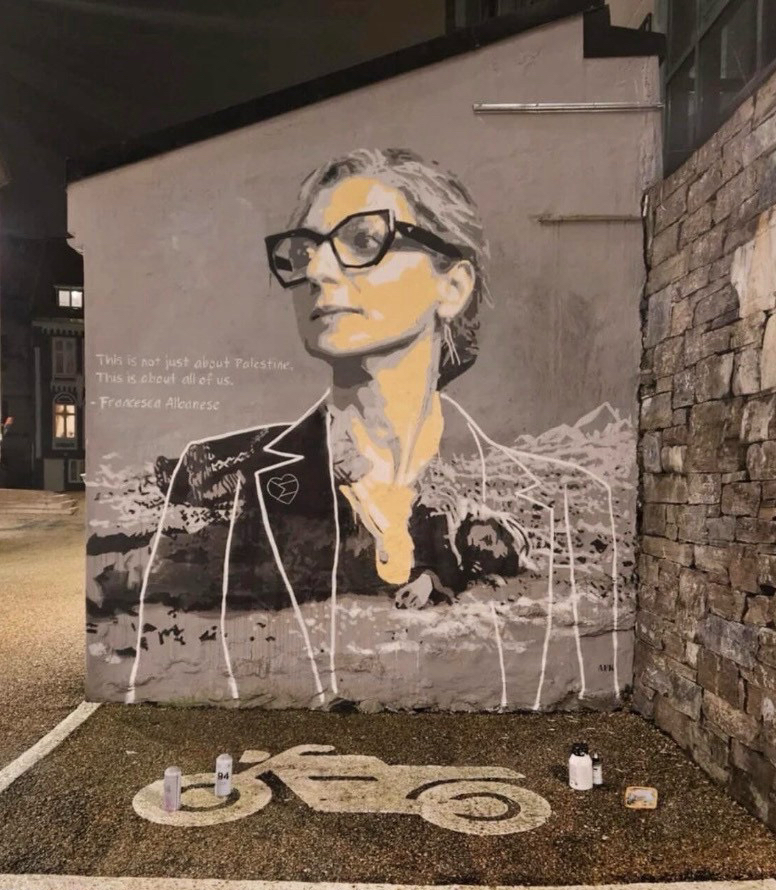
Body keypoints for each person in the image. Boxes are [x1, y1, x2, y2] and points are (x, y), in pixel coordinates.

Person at [115, 148, 622, 708]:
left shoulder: (554, 502)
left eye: (362, 240)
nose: (317, 270)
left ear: (452, 287)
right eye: (304, 250)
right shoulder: (214, 480)